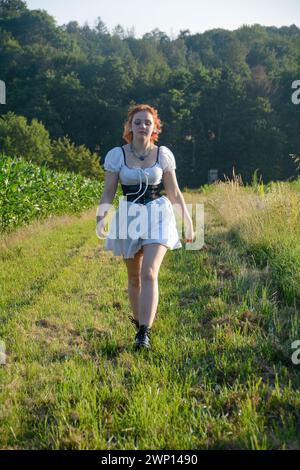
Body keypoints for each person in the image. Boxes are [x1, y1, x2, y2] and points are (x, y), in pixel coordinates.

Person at [96, 104, 194, 350]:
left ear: (154, 128)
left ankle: (144, 333)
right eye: (137, 122)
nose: (142, 126)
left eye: (147, 122)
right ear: (129, 126)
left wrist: (189, 222)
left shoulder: (163, 154)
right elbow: (108, 191)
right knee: (134, 278)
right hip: (129, 215)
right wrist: (102, 217)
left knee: (149, 272)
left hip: (157, 214)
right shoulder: (117, 155)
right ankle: (139, 323)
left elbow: (173, 192)